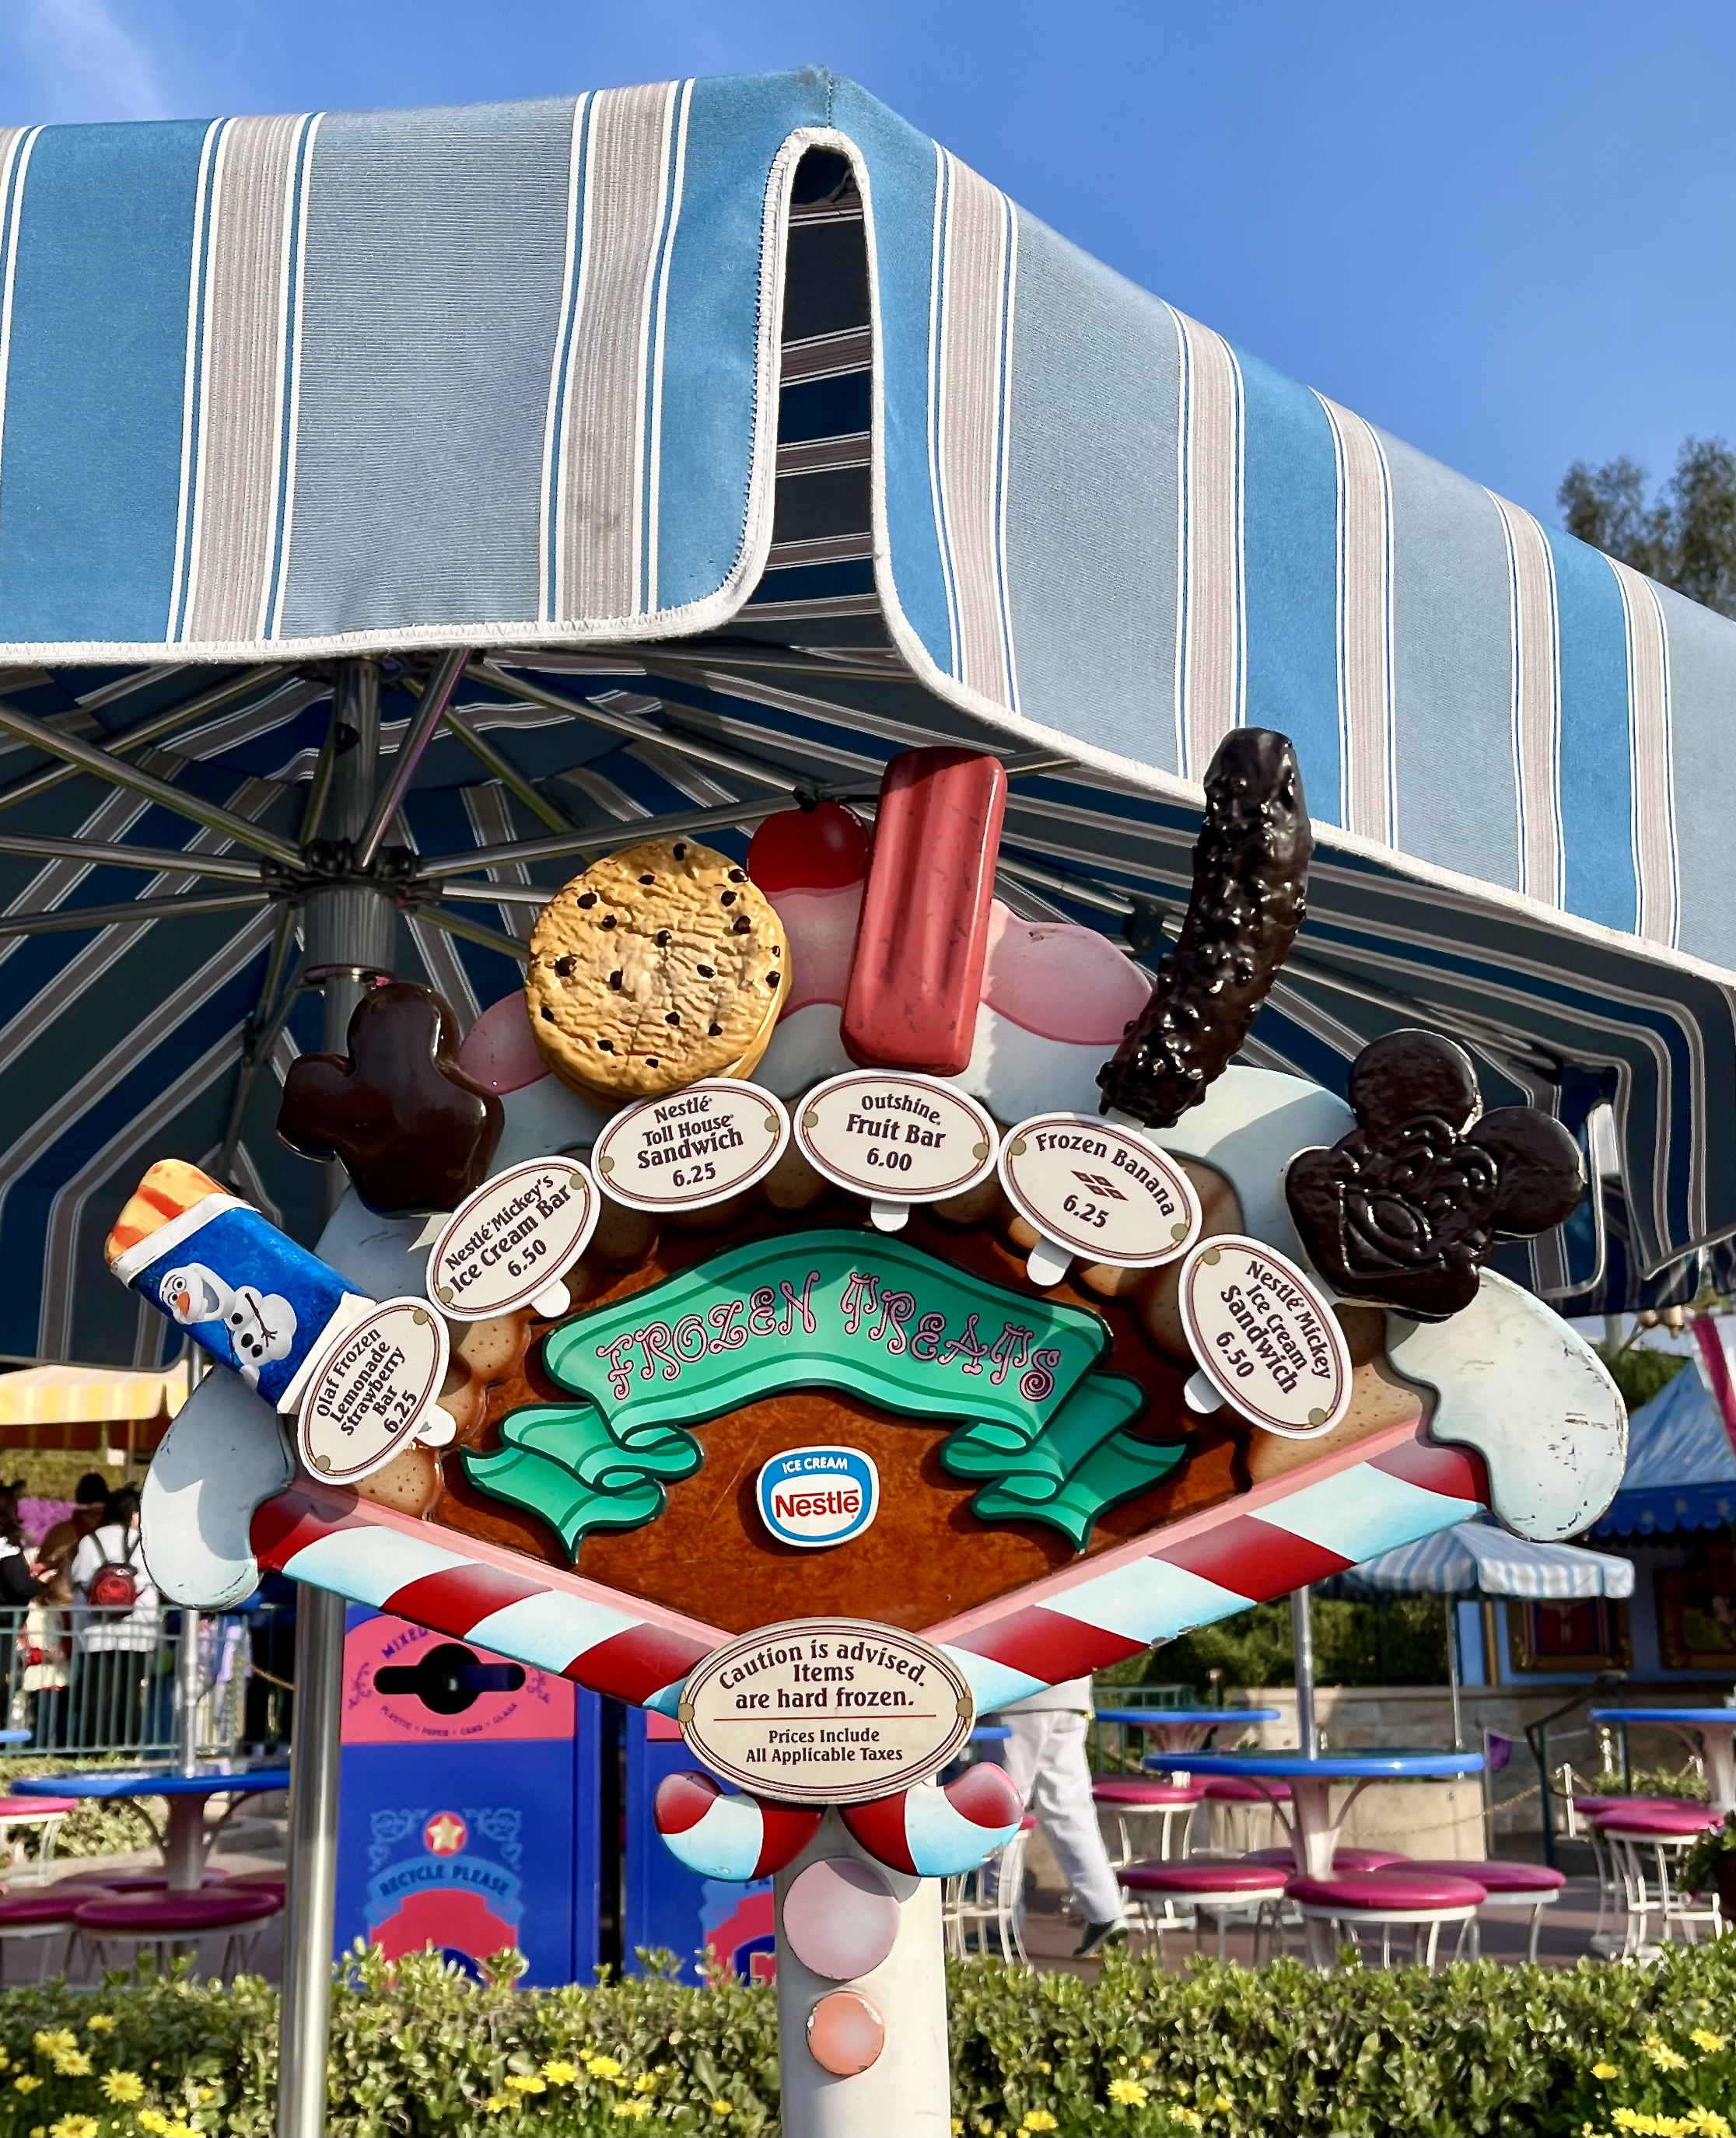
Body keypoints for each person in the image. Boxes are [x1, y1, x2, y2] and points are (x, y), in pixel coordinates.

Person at [990, 1676, 1128, 1957]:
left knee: (1003, 1809)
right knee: (1070, 1810)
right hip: (1071, 1691)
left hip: (1013, 1692)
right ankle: (1106, 1913)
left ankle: (1001, 1925)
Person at [68, 1485, 159, 1749]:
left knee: (97, 1689)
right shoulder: (144, 1542)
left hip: (95, 1628)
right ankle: (128, 1745)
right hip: (136, 1629)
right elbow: (154, 1581)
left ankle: (95, 1746)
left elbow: (77, 1580)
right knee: (129, 1689)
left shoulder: (90, 1541)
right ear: (133, 1514)